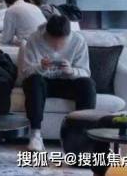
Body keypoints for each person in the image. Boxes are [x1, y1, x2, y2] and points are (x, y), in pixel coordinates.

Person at [19, 15, 96, 152]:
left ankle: (82, 136)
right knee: (33, 81)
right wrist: (41, 67)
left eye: (61, 43)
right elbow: (26, 72)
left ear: (68, 36)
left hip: (67, 83)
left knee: (87, 84)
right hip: (43, 83)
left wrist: (71, 71)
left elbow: (85, 72)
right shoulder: (34, 39)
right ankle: (35, 135)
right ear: (46, 34)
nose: (56, 47)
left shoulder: (78, 41)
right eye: (53, 42)